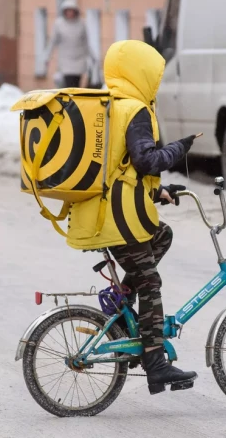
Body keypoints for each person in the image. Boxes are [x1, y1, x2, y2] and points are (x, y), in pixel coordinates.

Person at [67, 40, 199, 393]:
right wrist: (179, 148)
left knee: (162, 235)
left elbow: (119, 169)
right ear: (142, 72)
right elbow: (145, 160)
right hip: (120, 220)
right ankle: (156, 362)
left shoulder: (110, 106)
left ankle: (122, 299)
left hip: (104, 212)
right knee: (151, 282)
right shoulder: (136, 109)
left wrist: (158, 191)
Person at [43, 0, 96, 88]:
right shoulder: (59, 24)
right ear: (64, 12)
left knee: (76, 84)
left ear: (75, 11)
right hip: (66, 60)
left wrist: (93, 57)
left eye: (71, 11)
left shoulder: (81, 24)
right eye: (68, 11)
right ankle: (70, 101)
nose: (70, 13)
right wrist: (47, 56)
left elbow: (86, 42)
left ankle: (74, 100)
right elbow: (53, 41)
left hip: (79, 60)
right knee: (69, 84)